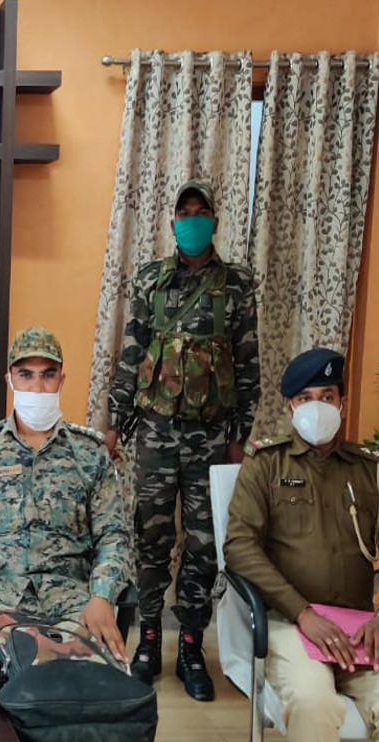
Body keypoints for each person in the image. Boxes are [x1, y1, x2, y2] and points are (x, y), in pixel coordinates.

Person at [224, 348, 379, 742]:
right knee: (312, 702)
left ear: (342, 403)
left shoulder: (371, 470)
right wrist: (302, 613)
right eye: (305, 398)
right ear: (289, 406)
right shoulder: (266, 464)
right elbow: (239, 547)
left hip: (362, 630)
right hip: (292, 626)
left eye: (326, 396)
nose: (316, 407)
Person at [106, 178, 260, 699]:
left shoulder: (236, 285)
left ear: (214, 220)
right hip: (155, 433)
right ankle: (149, 639)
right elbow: (131, 355)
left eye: (201, 211)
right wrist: (113, 426)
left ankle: (191, 646)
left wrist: (239, 439)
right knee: (150, 538)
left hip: (212, 437)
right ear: (173, 222)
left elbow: (248, 366)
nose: (192, 219)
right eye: (184, 211)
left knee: (204, 544)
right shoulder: (151, 280)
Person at [0, 328, 131, 661]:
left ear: (61, 380)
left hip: (74, 604)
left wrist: (102, 596)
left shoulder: (90, 453)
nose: (37, 387)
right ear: (9, 380)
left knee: (99, 684)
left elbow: (113, 536)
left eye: (48, 374)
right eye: (25, 374)